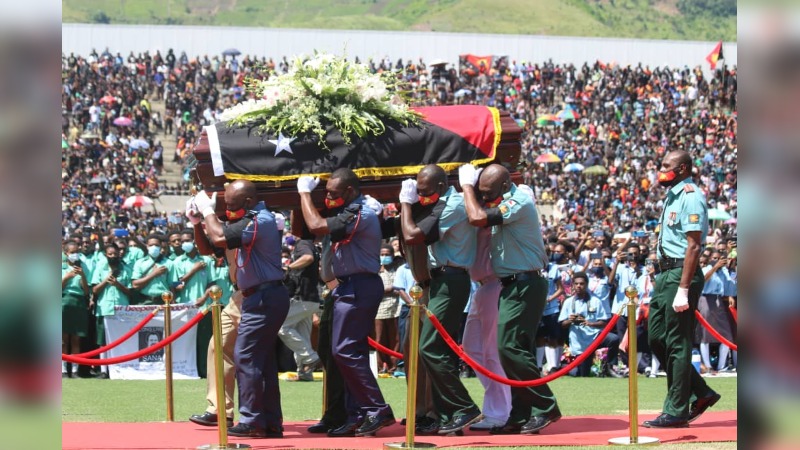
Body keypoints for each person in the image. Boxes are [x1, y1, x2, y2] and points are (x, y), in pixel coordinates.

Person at [460, 163, 561, 435]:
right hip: (512, 284)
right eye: (481, 192)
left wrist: (467, 186)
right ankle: (520, 413)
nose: (484, 197)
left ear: (505, 185)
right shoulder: (505, 201)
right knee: (512, 351)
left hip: (525, 284)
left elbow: (477, 217)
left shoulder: (519, 201)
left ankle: (545, 406)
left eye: (488, 192)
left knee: (509, 348)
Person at [296, 169, 395, 437]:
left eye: (333, 193)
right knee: (346, 352)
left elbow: (317, 226)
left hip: (359, 285)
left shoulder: (359, 212)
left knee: (344, 351)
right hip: (348, 286)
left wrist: (304, 192)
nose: (328, 197)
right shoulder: (348, 211)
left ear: (350, 191)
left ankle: (376, 408)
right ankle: (357, 413)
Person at [192, 179, 290, 438]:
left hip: (262, 296)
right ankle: (268, 421)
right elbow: (212, 244)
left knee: (246, 356)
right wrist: (198, 222)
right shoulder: (248, 220)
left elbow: (219, 237)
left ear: (248, 201)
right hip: (253, 295)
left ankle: (252, 420)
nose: (227, 207)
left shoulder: (258, 220)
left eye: (231, 203)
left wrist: (207, 210)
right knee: (259, 359)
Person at [397, 164, 481, 435]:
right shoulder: (442, 203)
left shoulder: (453, 205)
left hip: (450, 280)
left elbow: (412, 235)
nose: (421, 196)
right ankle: (446, 413)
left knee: (431, 347)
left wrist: (405, 203)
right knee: (431, 347)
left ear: (442, 187)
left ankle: (463, 407)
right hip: (441, 281)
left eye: (424, 191)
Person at [643, 150, 720, 428]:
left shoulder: (691, 196)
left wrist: (683, 289)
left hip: (680, 274)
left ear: (683, 168)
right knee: (655, 338)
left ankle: (676, 410)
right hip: (665, 273)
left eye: (667, 166)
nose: (661, 170)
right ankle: (701, 391)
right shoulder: (672, 196)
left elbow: (694, 246)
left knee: (677, 342)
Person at [462, 226, 512, 431]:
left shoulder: (494, 220)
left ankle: (499, 413)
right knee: (471, 347)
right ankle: (498, 402)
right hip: (481, 287)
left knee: (492, 352)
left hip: (496, 283)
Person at [558, 272, 620, 377]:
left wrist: (590, 323)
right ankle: (573, 370)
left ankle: (609, 367)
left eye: (581, 284)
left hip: (595, 336)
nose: (579, 286)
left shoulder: (596, 301)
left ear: (586, 284)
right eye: (576, 284)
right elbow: (562, 324)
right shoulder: (568, 302)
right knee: (583, 374)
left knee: (613, 339)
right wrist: (571, 320)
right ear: (573, 285)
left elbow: (604, 322)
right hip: (579, 342)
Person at [278, 237, 322, 381]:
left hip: (303, 297)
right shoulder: (310, 244)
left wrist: (289, 267)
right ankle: (304, 373)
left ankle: (311, 357)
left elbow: (308, 258)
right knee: (302, 335)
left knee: (282, 327)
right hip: (310, 299)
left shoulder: (303, 242)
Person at [696, 249, 734, 374]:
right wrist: (714, 267)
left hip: (719, 300)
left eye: (719, 258)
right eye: (715, 258)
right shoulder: (706, 269)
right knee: (705, 334)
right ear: (710, 259)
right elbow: (703, 280)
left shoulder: (723, 271)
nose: (717, 260)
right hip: (706, 299)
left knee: (726, 335)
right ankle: (708, 366)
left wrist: (730, 295)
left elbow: (729, 284)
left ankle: (721, 366)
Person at [62, 240, 90, 378]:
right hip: (63, 301)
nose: (75, 255)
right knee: (63, 338)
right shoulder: (61, 267)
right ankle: (62, 370)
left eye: (77, 252)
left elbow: (86, 291)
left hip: (79, 302)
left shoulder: (84, 267)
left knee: (76, 338)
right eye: (72, 252)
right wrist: (66, 277)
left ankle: (74, 370)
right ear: (66, 253)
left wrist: (83, 275)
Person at [374, 244, 401, 375]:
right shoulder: (375, 271)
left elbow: (400, 288)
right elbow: (375, 289)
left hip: (396, 307)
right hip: (379, 308)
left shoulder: (397, 270)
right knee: (379, 339)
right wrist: (389, 289)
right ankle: (381, 366)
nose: (384, 257)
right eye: (382, 255)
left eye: (387, 255)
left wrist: (392, 290)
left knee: (395, 338)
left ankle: (394, 365)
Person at [131, 234, 173, 305]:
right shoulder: (139, 263)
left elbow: (171, 285)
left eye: (156, 245)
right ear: (147, 246)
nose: (154, 247)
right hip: (145, 300)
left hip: (163, 300)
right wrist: (154, 274)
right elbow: (135, 284)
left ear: (160, 246)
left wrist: (172, 301)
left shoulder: (169, 263)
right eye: (151, 245)